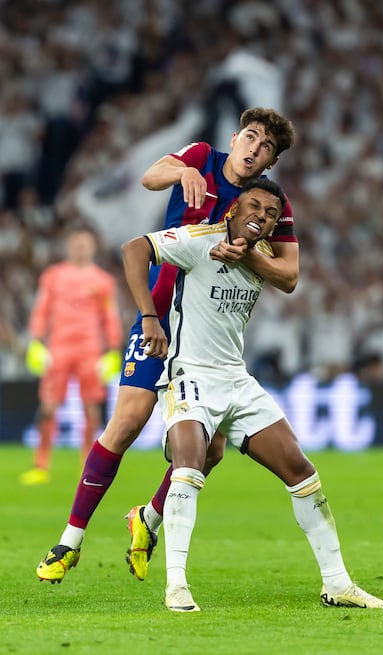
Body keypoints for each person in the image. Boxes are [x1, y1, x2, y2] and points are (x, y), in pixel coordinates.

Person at [36, 107, 299, 582]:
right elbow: (150, 176)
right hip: (157, 318)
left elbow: (289, 274)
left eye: (266, 148)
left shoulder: (269, 204)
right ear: (236, 136)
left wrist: (250, 258)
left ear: (271, 161)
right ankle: (68, 542)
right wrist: (185, 171)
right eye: (251, 138)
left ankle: (149, 518)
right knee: (127, 422)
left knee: (212, 449)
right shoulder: (202, 156)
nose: (253, 150)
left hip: (209, 338)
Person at [121, 178, 383, 612]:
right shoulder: (198, 242)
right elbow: (134, 249)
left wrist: (248, 252)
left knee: (302, 471)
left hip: (236, 379)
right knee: (189, 466)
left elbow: (290, 279)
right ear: (231, 210)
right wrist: (150, 318)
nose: (262, 216)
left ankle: (338, 583)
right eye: (254, 206)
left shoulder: (263, 257)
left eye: (270, 214)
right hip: (189, 373)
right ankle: (176, 586)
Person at [20, 225, 123, 485]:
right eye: (77, 243)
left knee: (91, 410)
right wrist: (35, 341)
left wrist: (113, 349)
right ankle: (40, 466)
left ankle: (87, 466)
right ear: (70, 246)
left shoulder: (102, 281)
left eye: (85, 244)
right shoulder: (54, 276)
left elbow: (109, 317)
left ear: (92, 247)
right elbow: (42, 308)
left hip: (89, 350)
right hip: (59, 348)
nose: (80, 248)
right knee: (48, 407)